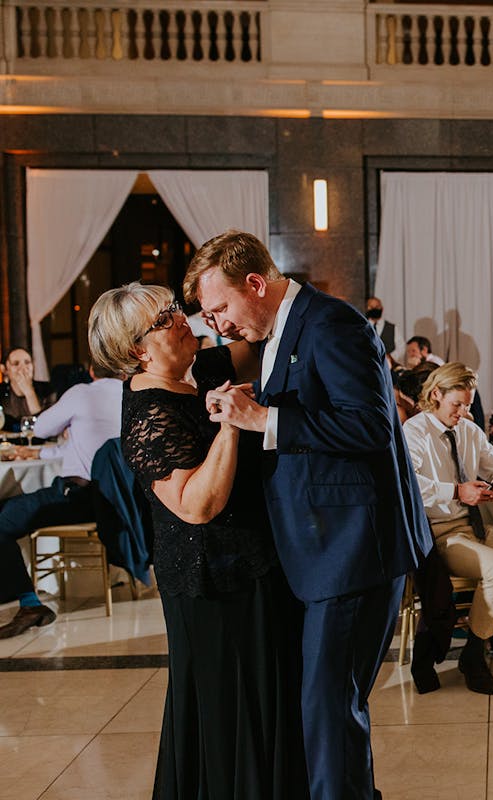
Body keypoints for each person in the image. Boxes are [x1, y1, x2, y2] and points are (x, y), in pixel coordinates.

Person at [187, 230, 433, 800]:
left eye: (220, 309)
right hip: (323, 551)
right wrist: (249, 405)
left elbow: (372, 426)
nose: (217, 326)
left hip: (352, 551)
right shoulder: (281, 329)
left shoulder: (331, 323)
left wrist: (264, 422)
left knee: (329, 713)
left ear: (255, 282)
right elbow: (314, 403)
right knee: (327, 712)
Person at [88, 282, 307, 799]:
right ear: (136, 350)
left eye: (172, 309)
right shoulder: (146, 413)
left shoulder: (200, 370)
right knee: (231, 711)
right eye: (163, 320)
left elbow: (260, 340)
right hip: (212, 582)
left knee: (269, 702)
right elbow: (197, 506)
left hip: (255, 565)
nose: (180, 319)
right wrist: (232, 424)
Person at [405, 363, 493, 695]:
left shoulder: (469, 431)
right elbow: (408, 486)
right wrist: (457, 491)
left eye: (468, 404)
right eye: (457, 404)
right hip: (441, 532)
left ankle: (477, 645)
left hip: (476, 526)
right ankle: (474, 655)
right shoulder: (414, 432)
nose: (464, 411)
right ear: (436, 395)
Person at [0, 364, 121, 638]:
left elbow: (40, 427)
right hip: (114, 500)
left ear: (91, 371)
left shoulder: (81, 393)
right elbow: (77, 447)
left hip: (76, 497)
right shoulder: (130, 393)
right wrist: (36, 456)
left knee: (2, 520)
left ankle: (29, 604)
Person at [0, 348, 55, 432]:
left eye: (27, 362)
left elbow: (47, 426)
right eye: (16, 364)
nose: (23, 368)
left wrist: (29, 392)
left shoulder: (48, 389)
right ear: (4, 369)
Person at [365, 296, 400, 366]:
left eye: (377, 306)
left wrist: (389, 357)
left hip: (388, 367)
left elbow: (401, 347)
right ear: (366, 309)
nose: (374, 309)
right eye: (371, 307)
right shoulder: (362, 327)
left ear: (382, 308)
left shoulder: (392, 328)